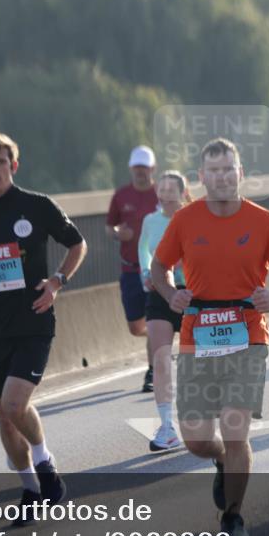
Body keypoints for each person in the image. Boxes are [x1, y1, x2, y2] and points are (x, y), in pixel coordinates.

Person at [152, 137, 269, 536]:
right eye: (213, 171)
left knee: (236, 431)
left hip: (248, 334)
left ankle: (233, 517)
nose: (221, 177)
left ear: (241, 174)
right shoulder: (185, 220)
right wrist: (171, 296)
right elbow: (158, 267)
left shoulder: (263, 220)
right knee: (197, 439)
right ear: (201, 178)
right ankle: (220, 458)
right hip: (198, 334)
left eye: (228, 169)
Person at [0, 133, 87, 524]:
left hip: (32, 321)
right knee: (4, 417)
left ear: (13, 166)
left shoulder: (36, 206)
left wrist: (57, 281)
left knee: (14, 403)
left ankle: (46, 466)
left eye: (0, 162)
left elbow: (77, 245)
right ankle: (30, 489)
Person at [138, 171, 192, 452]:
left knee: (195, 360)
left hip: (190, 294)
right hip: (160, 295)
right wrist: (147, 273)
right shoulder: (150, 220)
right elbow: (143, 249)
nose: (166, 193)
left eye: (172, 189)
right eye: (162, 189)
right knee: (160, 358)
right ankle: (167, 426)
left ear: (183, 192)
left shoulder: (193, 218)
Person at [106, 146, 161, 392]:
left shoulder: (164, 192)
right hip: (130, 270)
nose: (141, 172)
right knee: (136, 327)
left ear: (152, 169)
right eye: (137, 168)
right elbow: (109, 227)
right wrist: (118, 234)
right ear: (131, 169)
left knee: (153, 317)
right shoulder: (121, 195)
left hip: (157, 269)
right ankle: (161, 335)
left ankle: (152, 372)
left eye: (145, 168)